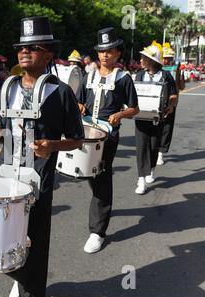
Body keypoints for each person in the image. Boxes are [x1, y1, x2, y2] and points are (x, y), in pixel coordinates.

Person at [0, 16, 84, 297]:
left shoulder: (61, 92)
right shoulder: (7, 87)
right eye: (21, 47)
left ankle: (31, 292)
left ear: (49, 54)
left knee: (36, 239)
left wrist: (53, 145)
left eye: (34, 46)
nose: (24, 52)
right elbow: (4, 128)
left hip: (38, 178)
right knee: (3, 234)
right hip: (5, 173)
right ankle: (20, 277)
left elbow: (77, 138)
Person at [76, 27, 139, 253]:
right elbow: (79, 101)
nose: (105, 55)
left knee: (102, 178)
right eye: (102, 51)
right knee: (90, 176)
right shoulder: (87, 76)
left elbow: (134, 108)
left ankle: (98, 231)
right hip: (85, 133)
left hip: (108, 136)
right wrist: (79, 105)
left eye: (110, 51)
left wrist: (121, 114)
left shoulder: (124, 79)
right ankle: (101, 207)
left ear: (118, 54)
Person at [134, 41, 178, 195]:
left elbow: (173, 95)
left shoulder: (165, 75)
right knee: (141, 147)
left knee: (153, 146)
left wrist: (171, 105)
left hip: (157, 118)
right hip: (140, 118)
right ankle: (141, 180)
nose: (140, 61)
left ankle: (151, 168)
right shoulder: (139, 74)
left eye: (143, 58)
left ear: (152, 61)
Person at [157, 43, 184, 165]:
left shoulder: (176, 68)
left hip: (171, 102)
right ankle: (155, 149)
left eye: (169, 57)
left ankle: (161, 153)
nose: (167, 60)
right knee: (156, 126)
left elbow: (181, 86)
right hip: (157, 101)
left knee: (167, 128)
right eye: (165, 57)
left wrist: (181, 76)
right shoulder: (156, 68)